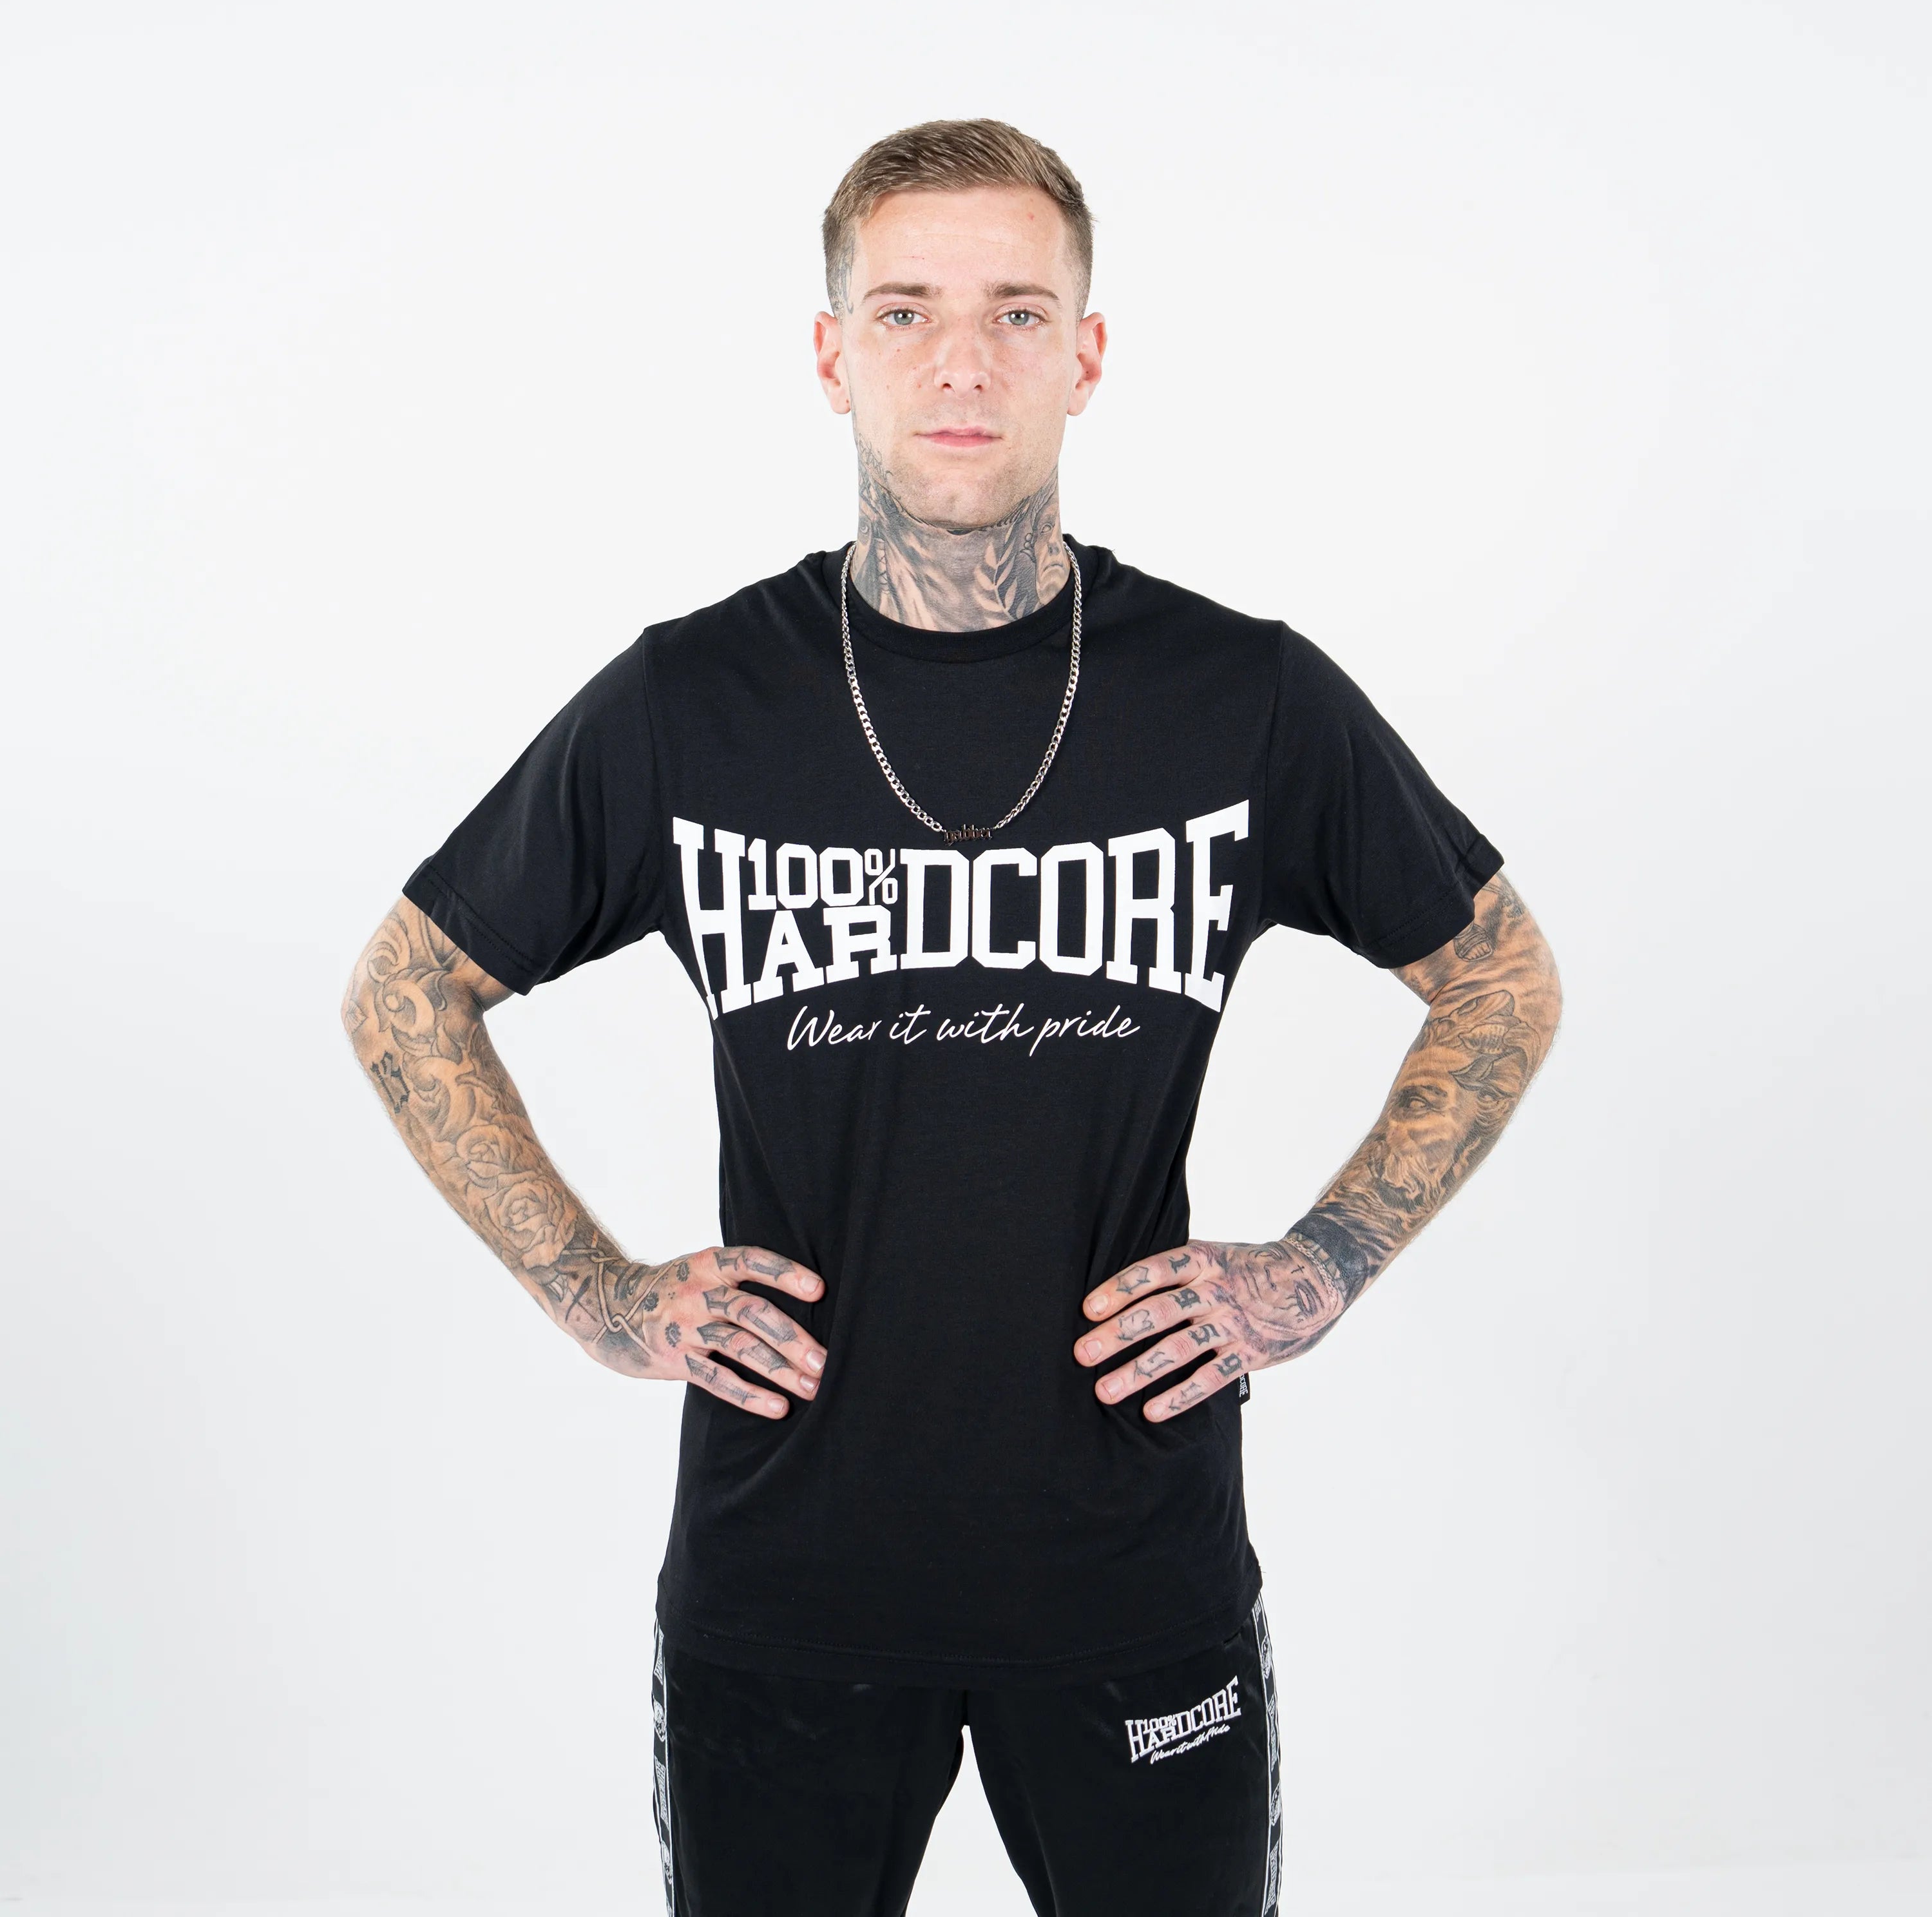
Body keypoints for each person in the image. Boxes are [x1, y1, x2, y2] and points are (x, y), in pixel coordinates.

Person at [341, 118, 1563, 1917]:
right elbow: (408, 992)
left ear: (1088, 352)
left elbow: (1501, 973)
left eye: (1017, 311)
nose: (963, 363)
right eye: (906, 312)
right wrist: (597, 1294)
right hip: (787, 1577)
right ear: (832, 353)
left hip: (1131, 1562)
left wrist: (1322, 1264)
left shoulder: (1241, 696)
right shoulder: (694, 702)